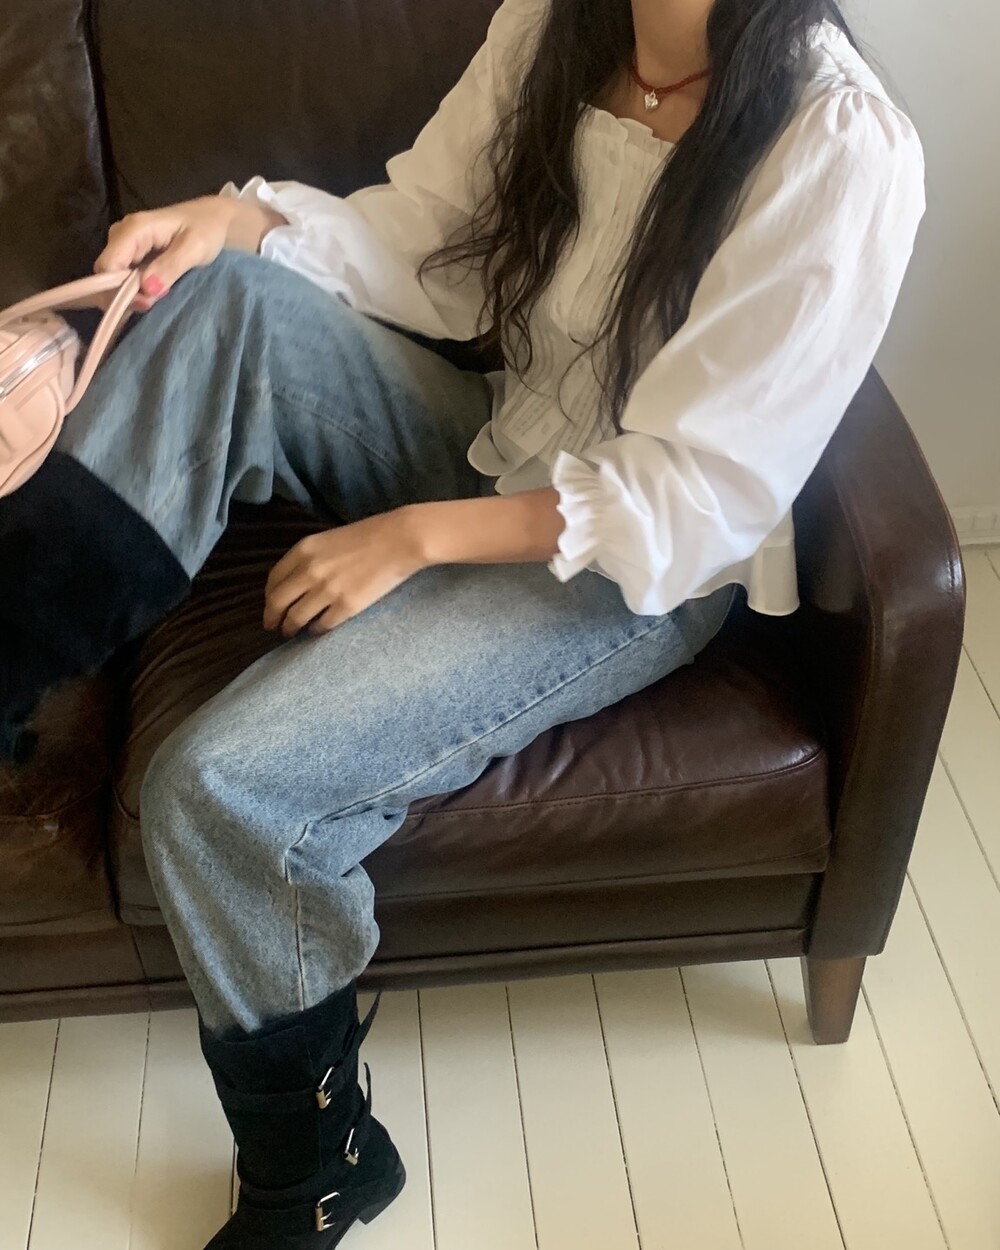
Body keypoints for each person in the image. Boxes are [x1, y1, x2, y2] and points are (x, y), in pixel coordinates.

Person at [0, 0, 925, 1245]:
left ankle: (318, 1162)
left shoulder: (838, 139)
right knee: (229, 300)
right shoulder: (554, 22)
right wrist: (237, 220)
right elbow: (433, 237)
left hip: (627, 565)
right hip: (499, 435)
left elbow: (696, 497)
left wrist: (416, 535)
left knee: (220, 788)